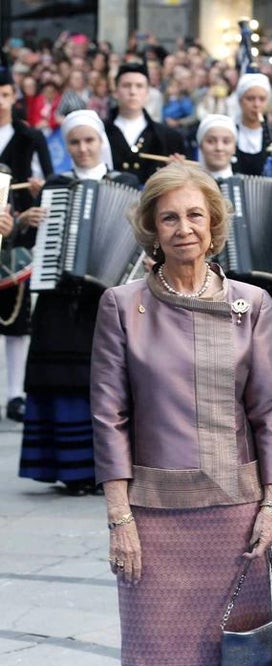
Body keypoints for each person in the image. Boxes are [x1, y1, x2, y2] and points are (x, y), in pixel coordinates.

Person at [90, 162, 272, 666]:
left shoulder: (250, 305)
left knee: (229, 650)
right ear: (150, 227)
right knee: (161, 651)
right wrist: (119, 516)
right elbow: (108, 415)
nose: (183, 229)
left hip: (234, 508)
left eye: (195, 216)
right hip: (151, 510)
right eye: (169, 217)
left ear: (215, 224)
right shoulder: (123, 307)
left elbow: (269, 413)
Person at [18, 111, 138, 494]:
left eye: (89, 140)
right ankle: (71, 470)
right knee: (64, 382)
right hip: (61, 300)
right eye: (75, 142)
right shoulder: (55, 186)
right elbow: (23, 249)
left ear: (101, 141)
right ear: (66, 146)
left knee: (111, 387)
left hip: (110, 301)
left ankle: (114, 470)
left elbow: (143, 238)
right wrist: (26, 223)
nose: (83, 149)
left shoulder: (129, 184)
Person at [196, 113, 272, 395]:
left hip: (252, 294)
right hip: (205, 293)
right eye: (211, 141)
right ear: (201, 145)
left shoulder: (256, 185)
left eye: (226, 141)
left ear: (234, 147)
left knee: (259, 388)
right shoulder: (192, 188)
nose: (219, 147)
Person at [0, 64, 53, 423]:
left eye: (5, 94)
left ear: (14, 97)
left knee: (16, 317)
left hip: (17, 233)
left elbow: (50, 183)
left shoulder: (30, 136)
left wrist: (38, 192)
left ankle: (16, 393)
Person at [104, 63, 186, 183]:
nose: (132, 92)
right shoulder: (100, 133)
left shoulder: (170, 137)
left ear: (148, 93)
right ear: (115, 91)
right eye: (126, 85)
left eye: (139, 86)